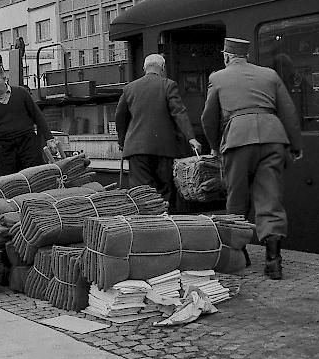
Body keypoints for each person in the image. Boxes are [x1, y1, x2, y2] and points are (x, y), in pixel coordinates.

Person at [201, 37, 303, 280]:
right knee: (270, 197)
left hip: (237, 140)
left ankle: (240, 255)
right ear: (245, 55)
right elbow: (288, 111)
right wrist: (296, 145)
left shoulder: (218, 77)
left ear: (226, 56)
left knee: (236, 197)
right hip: (272, 138)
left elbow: (208, 118)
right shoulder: (269, 75)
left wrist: (216, 147)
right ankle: (273, 261)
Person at [115, 53, 201, 211]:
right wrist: (191, 138)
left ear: (144, 68)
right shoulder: (168, 85)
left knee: (142, 194)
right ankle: (166, 224)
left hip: (137, 150)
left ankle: (146, 225)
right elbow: (179, 112)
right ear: (162, 68)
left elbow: (120, 118)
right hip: (164, 149)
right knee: (165, 192)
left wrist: (122, 142)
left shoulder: (129, 88)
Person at [0, 66, 58, 177]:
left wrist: (49, 139)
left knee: (35, 178)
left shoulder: (21, 93)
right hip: (5, 149)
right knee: (12, 182)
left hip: (28, 144)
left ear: (4, 79)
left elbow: (38, 117)